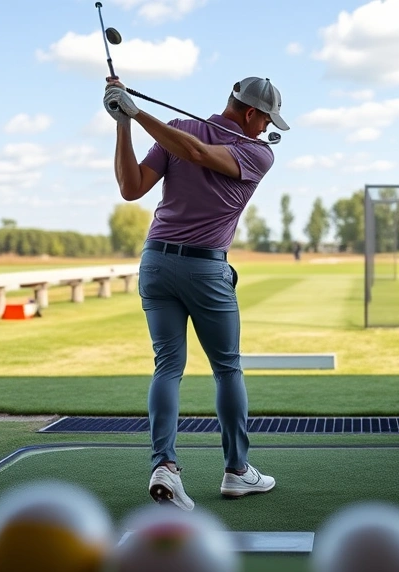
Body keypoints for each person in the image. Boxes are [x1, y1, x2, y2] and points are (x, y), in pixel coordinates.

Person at [103, 75, 290, 511]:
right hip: (205, 268)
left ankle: (165, 464)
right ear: (250, 113)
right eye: (265, 119)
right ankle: (237, 472)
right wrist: (123, 121)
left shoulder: (182, 132)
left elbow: (193, 153)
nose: (266, 129)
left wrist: (133, 115)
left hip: (155, 263)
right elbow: (132, 187)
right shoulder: (256, 151)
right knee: (227, 368)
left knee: (167, 366)